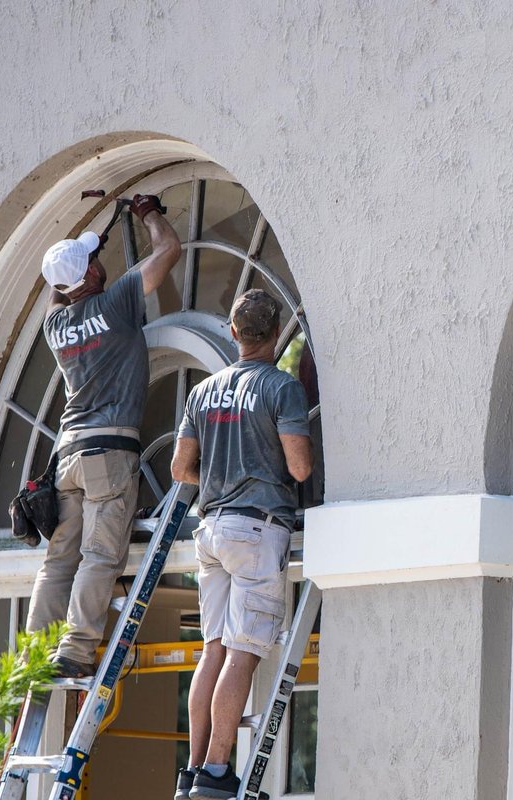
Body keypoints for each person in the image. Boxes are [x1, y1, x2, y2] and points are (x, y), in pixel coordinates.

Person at [25, 194, 183, 677]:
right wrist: (149, 213)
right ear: (92, 274)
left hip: (67, 455)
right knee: (99, 556)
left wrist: (77, 260)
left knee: (59, 560)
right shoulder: (117, 302)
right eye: (94, 261)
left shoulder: (54, 324)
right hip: (108, 453)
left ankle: (35, 655)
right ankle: (75, 650)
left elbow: (60, 288)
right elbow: (169, 250)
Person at [169, 289, 313, 800]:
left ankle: (193, 768)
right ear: (276, 334)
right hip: (256, 530)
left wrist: (222, 472)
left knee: (212, 649)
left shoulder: (203, 392)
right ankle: (215, 771)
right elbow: (300, 468)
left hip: (210, 531)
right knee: (243, 652)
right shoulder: (281, 388)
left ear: (233, 332)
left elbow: (180, 468)